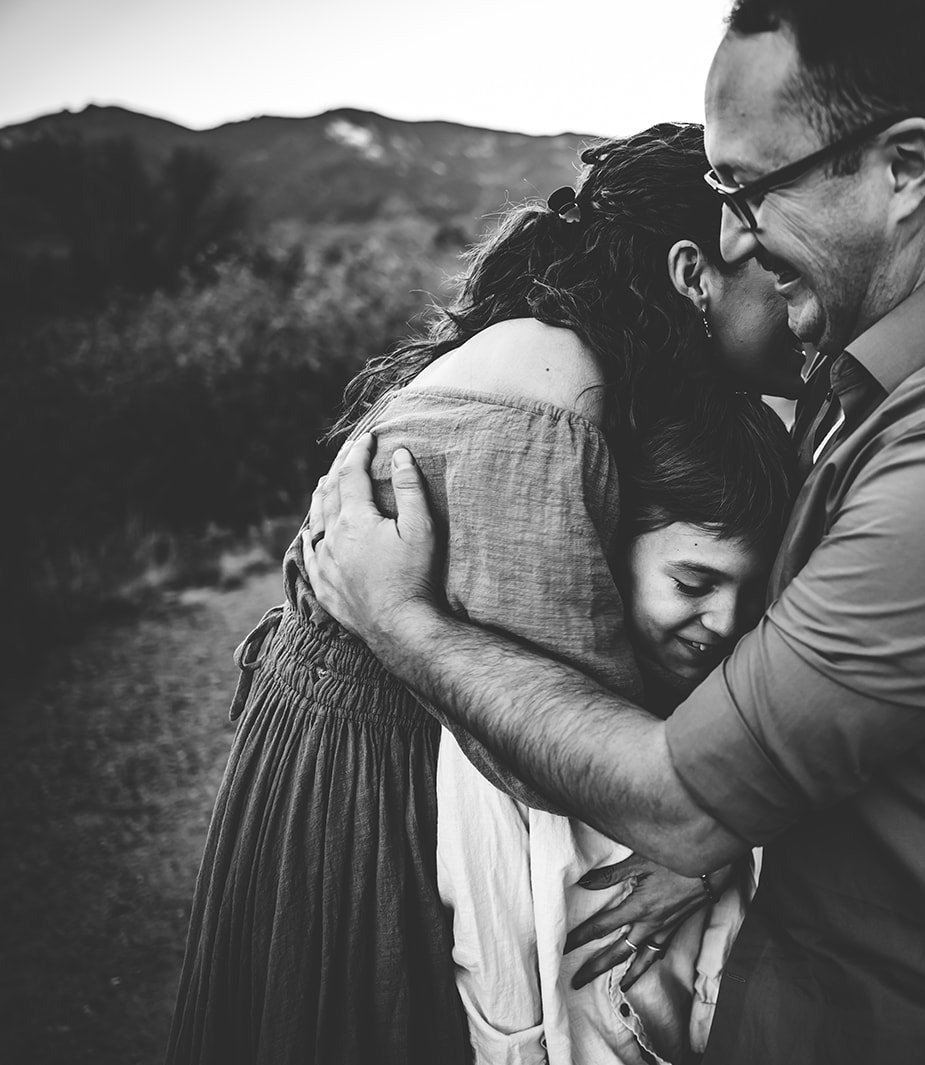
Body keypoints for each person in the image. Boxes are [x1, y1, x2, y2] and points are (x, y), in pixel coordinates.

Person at [304, 1, 925, 1062]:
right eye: (719, 194)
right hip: (839, 991)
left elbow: (682, 801)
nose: (726, 238)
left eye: (750, 191)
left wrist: (403, 621)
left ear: (903, 167)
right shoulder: (874, 365)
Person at [167, 121, 802, 1065]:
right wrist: (698, 836)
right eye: (778, 275)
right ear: (691, 272)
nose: (800, 305)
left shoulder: (582, 364)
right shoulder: (555, 380)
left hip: (377, 746)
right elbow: (565, 737)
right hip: (367, 775)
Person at [441, 400, 794, 1065]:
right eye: (693, 582)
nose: (723, 621)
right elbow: (493, 964)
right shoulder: (510, 714)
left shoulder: (748, 697)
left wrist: (715, 850)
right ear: (613, 550)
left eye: (751, 598)